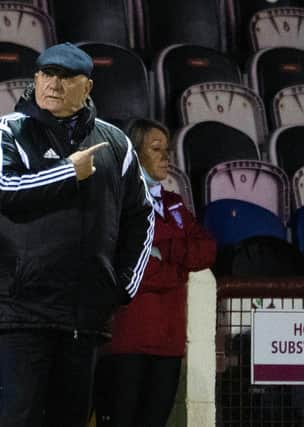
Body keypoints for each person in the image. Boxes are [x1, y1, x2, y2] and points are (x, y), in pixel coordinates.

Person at [0, 42, 155, 427]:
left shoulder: (115, 142)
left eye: (65, 77)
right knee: (18, 419)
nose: (53, 84)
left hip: (84, 313)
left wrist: (122, 285)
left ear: (87, 87)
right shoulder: (6, 130)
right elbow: (3, 191)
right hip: (21, 310)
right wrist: (66, 172)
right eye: (45, 74)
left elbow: (141, 215)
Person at [93, 118, 216, 427]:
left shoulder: (174, 203)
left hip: (169, 342)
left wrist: (166, 251)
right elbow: (133, 271)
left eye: (168, 149)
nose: (166, 157)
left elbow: (208, 250)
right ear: (134, 155)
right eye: (156, 148)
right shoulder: (118, 204)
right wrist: (179, 270)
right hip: (127, 341)